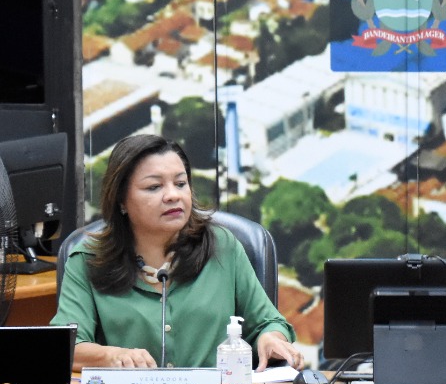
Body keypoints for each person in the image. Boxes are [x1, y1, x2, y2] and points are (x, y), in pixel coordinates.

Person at [52, 134, 303, 370]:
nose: (173, 195)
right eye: (154, 187)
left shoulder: (222, 246)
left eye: (181, 183)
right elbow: (65, 347)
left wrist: (271, 338)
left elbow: (268, 322)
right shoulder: (88, 259)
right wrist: (113, 356)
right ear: (120, 201)